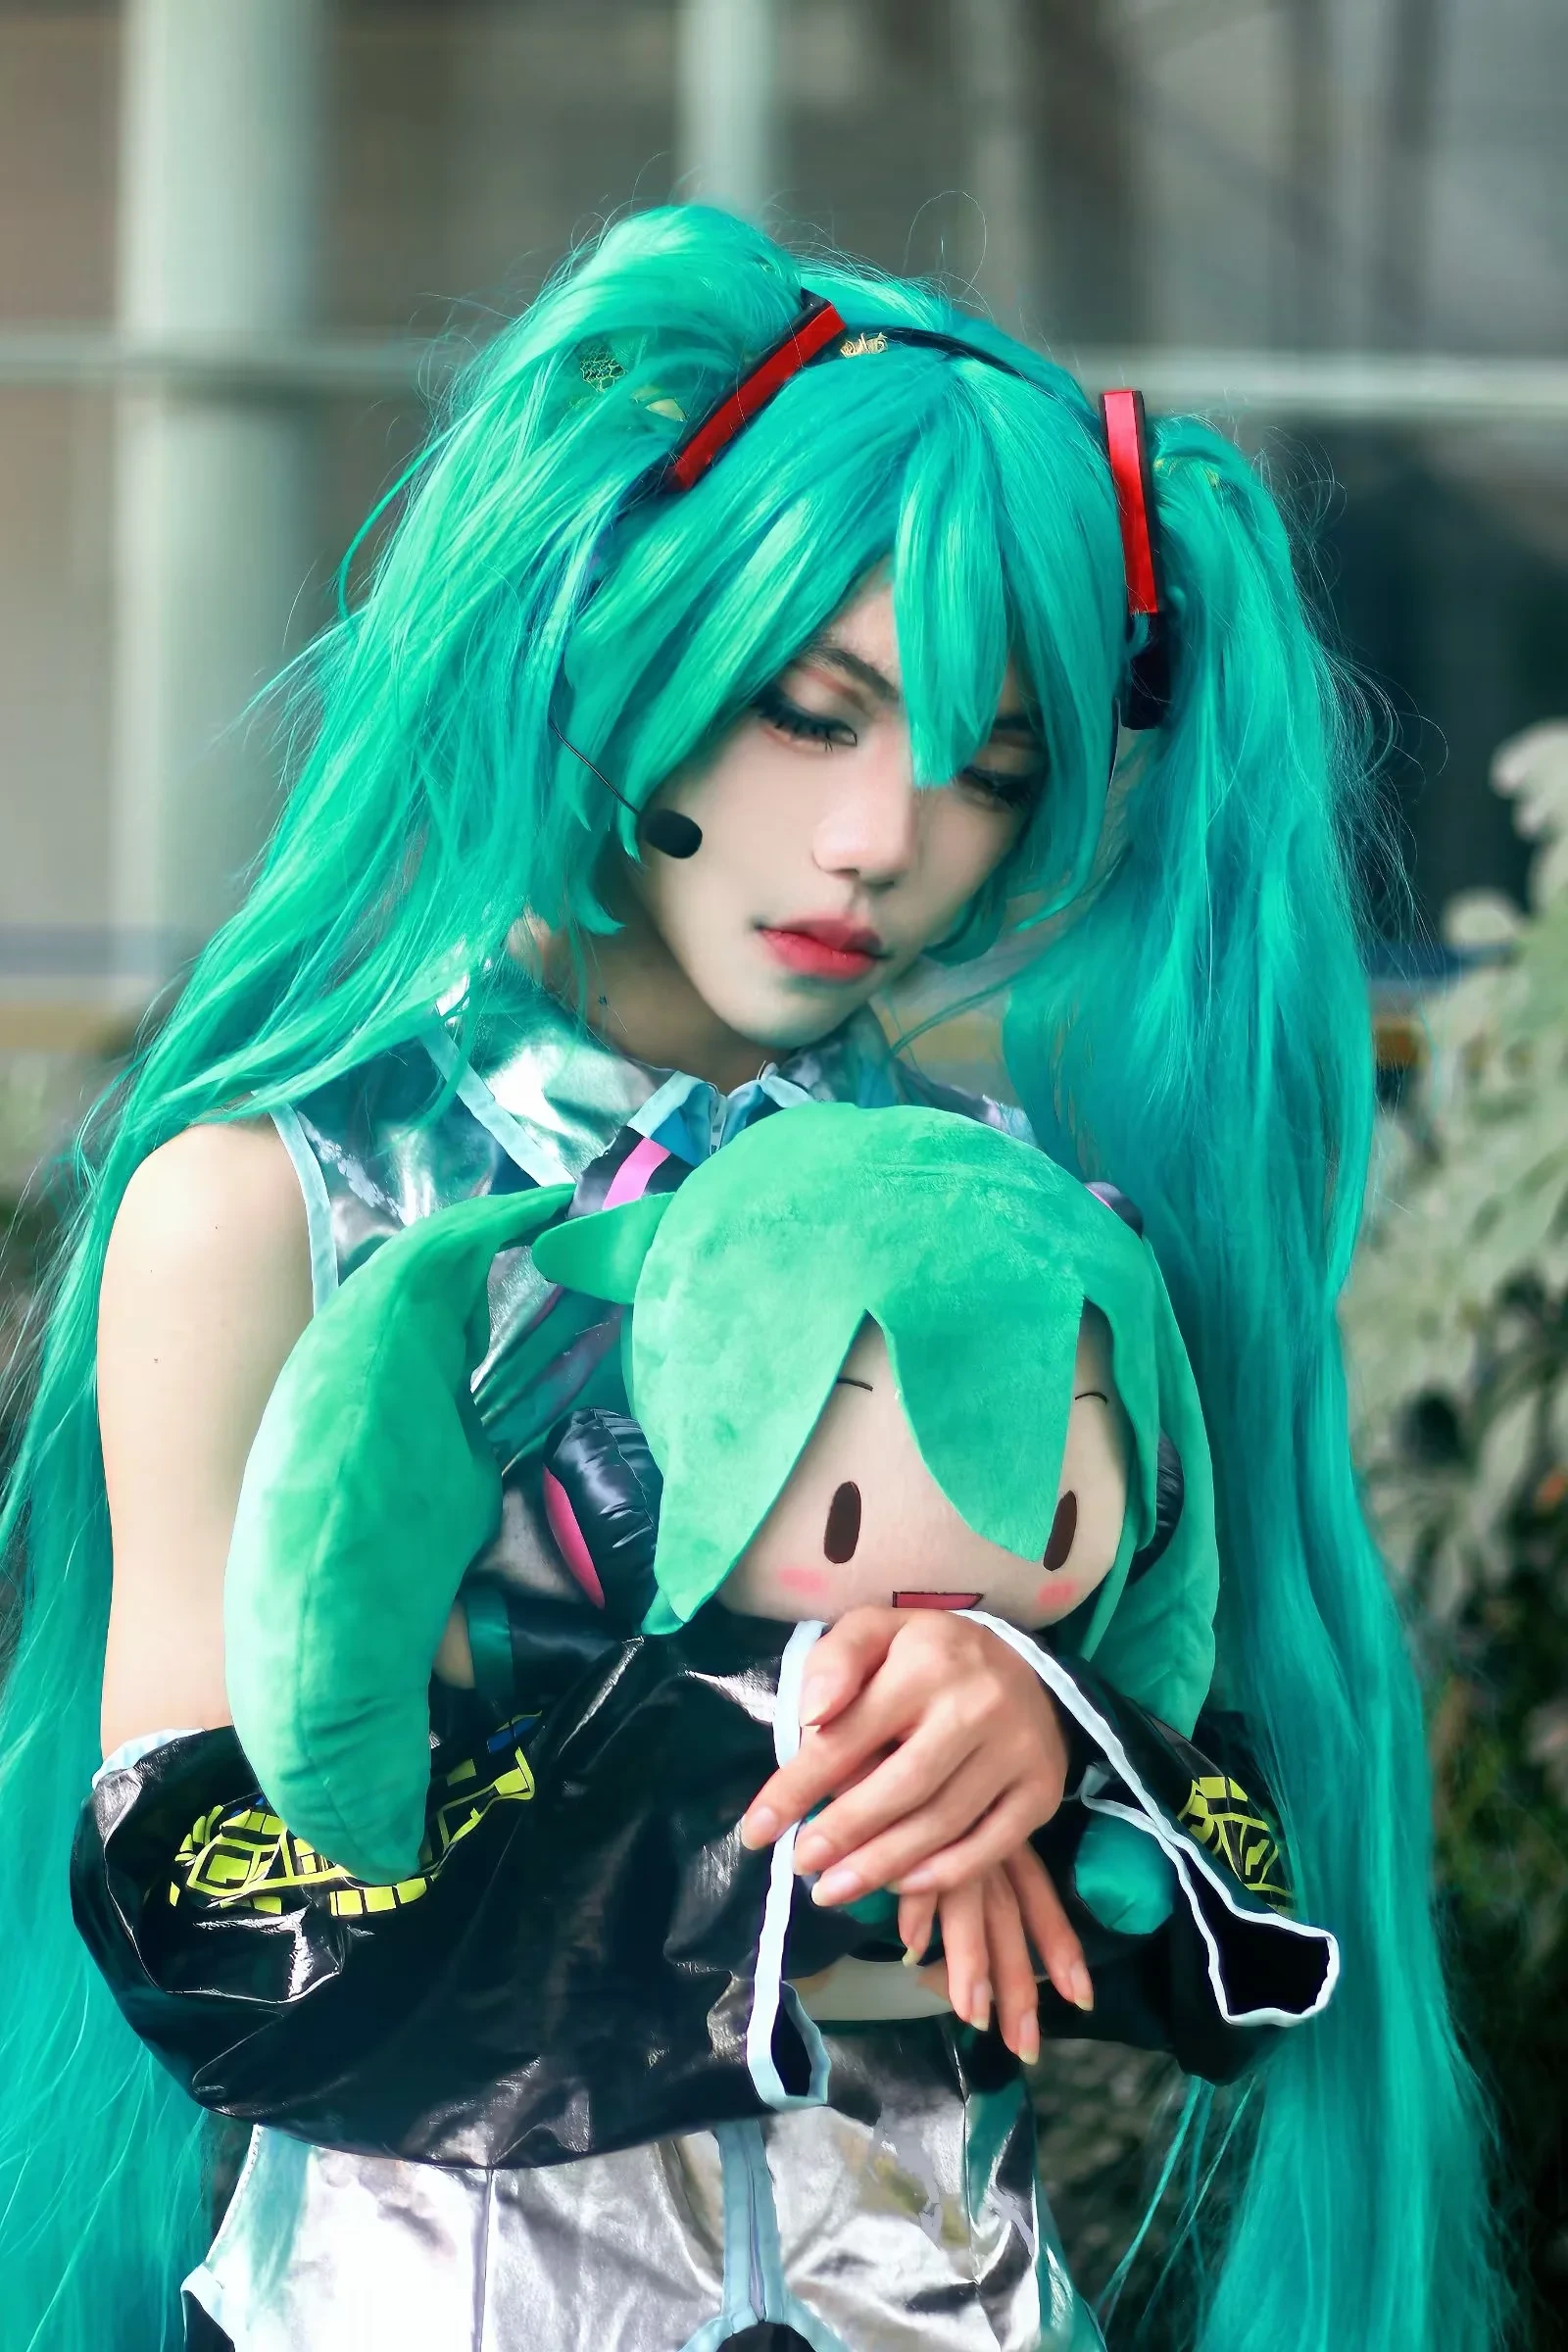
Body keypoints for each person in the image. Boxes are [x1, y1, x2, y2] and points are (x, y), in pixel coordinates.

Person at [0, 206, 1497, 2352]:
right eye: (814, 712)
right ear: (628, 643)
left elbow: (1236, 1894)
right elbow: (209, 1912)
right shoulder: (276, 1204)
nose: (887, 839)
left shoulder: (1017, 1225)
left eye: (992, 773)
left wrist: (1055, 1735)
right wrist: (790, 1786)